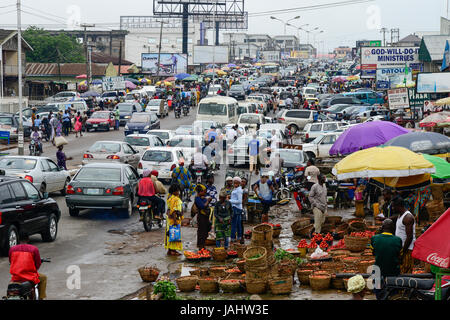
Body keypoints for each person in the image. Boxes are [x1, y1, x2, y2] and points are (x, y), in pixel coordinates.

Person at [370, 219, 402, 299]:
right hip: (393, 271)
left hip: (378, 270)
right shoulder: (398, 240)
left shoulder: (374, 238)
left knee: (378, 290)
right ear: (393, 228)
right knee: (393, 292)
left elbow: (373, 253)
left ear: (382, 227)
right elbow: (399, 255)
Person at [392, 196, 416, 274]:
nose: (392, 208)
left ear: (399, 206)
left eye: (393, 206)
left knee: (405, 272)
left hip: (407, 249)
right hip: (401, 248)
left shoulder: (408, 218)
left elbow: (409, 237)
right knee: (401, 271)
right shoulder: (401, 215)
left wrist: (403, 253)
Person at [165, 184, 183, 256]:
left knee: (170, 233)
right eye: (177, 191)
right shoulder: (175, 199)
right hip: (174, 218)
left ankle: (170, 250)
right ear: (174, 191)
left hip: (169, 219)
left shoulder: (170, 197)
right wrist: (175, 221)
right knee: (174, 234)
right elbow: (174, 211)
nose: (178, 192)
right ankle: (173, 250)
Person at [192, 184, 212, 249]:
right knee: (202, 231)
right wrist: (208, 201)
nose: (205, 193)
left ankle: (202, 244)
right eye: (204, 191)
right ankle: (201, 245)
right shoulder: (197, 199)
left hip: (205, 217)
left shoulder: (202, 198)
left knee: (206, 229)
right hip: (201, 217)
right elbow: (202, 206)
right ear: (200, 192)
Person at [229, 176, 244, 244]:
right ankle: (239, 237)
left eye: (236, 183)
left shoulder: (239, 190)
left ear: (239, 183)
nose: (235, 184)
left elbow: (239, 201)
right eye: (234, 183)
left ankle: (232, 238)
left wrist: (229, 200)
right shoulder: (236, 189)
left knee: (234, 224)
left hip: (236, 208)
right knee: (238, 224)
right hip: (237, 208)